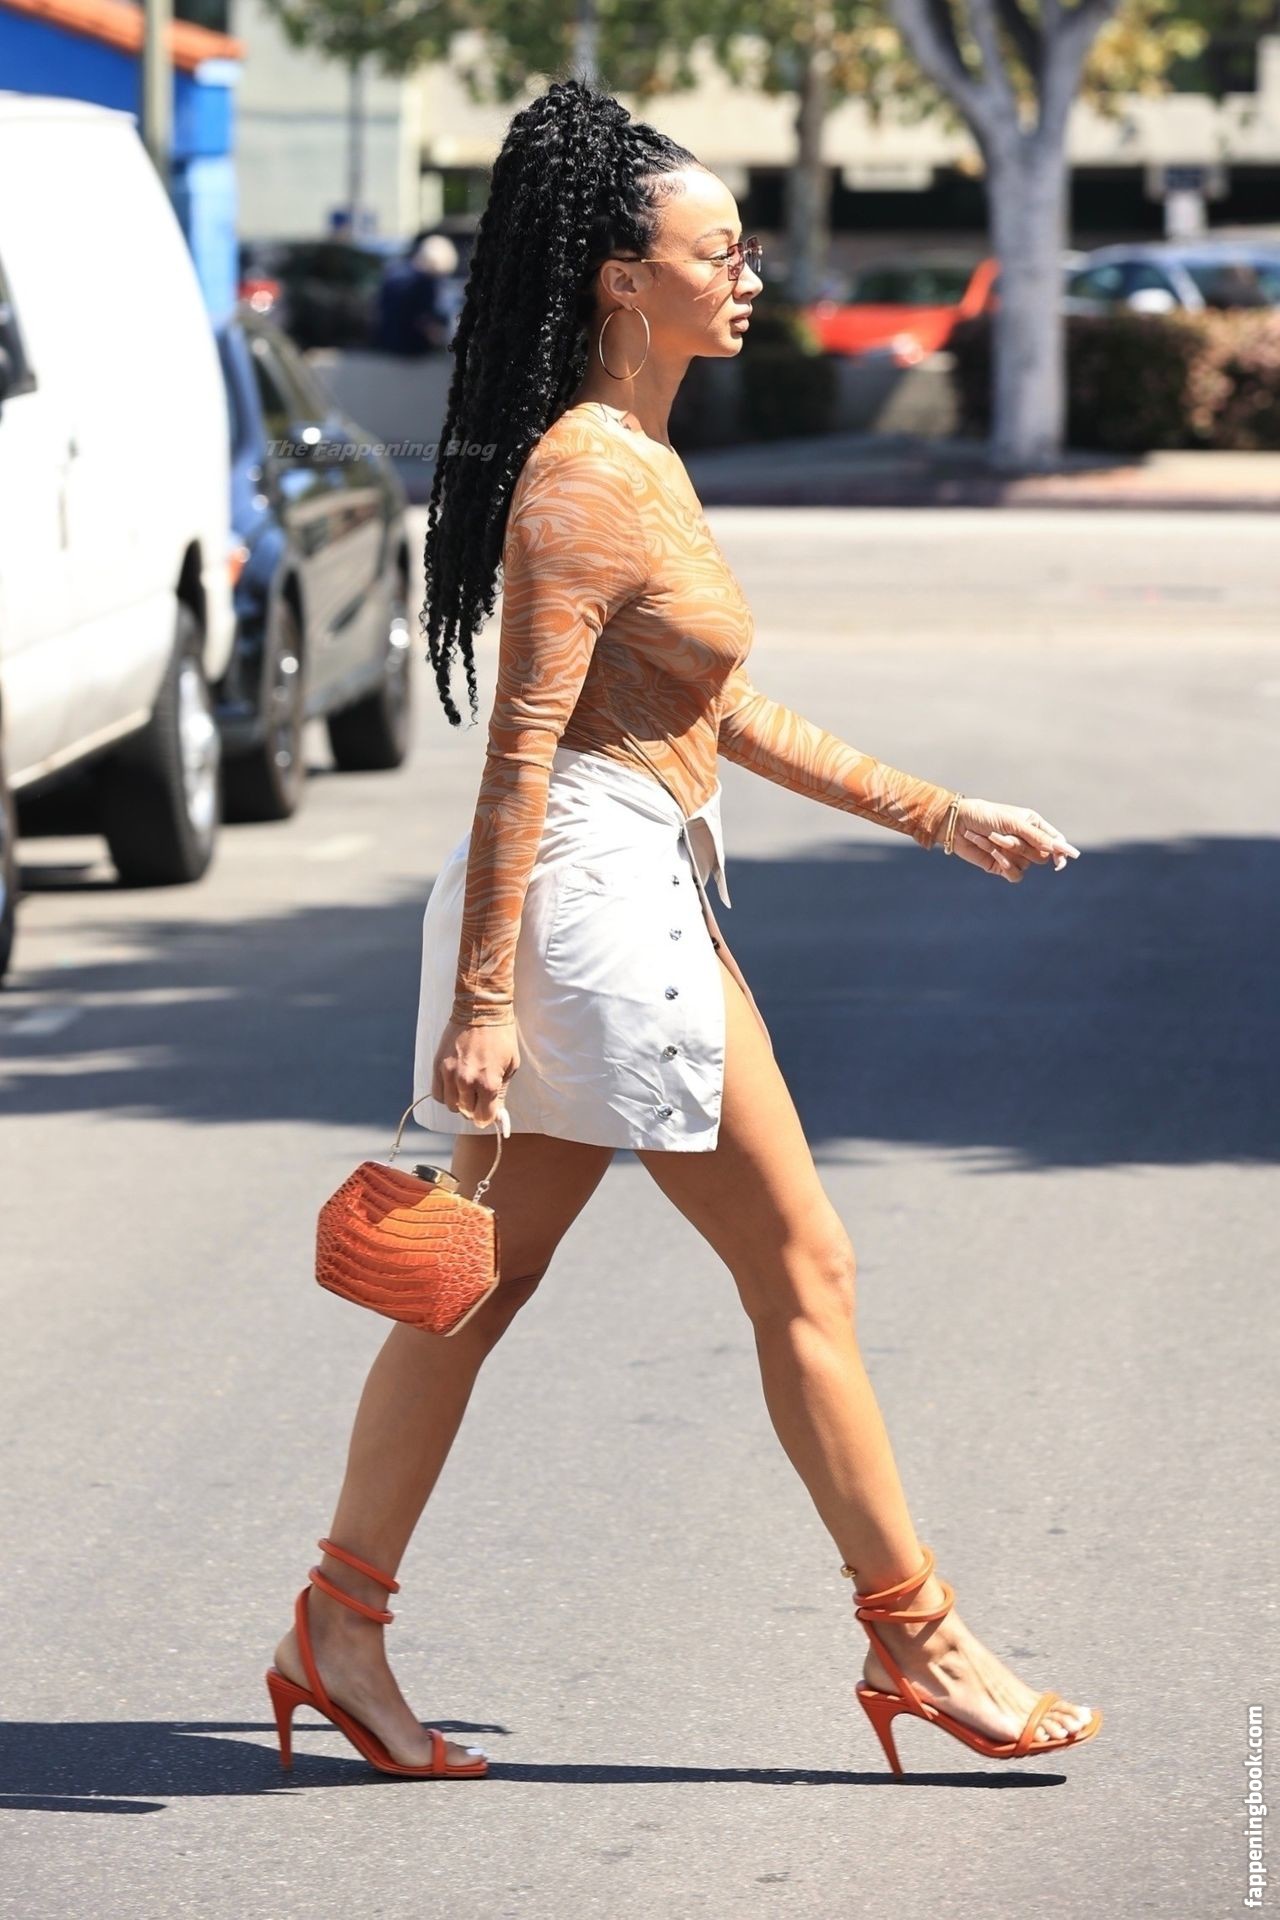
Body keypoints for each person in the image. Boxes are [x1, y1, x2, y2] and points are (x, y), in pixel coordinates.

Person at [266, 77, 1101, 1781]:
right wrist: (482, 1006)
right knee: (803, 1267)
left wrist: (935, 810)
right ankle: (918, 1637)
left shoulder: (639, 457)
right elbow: (520, 750)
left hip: (616, 889)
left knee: (476, 1287)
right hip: (587, 908)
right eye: (720, 252)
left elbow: (710, 709)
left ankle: (335, 1627)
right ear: (622, 279)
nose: (750, 278)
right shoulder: (586, 479)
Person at [373, 234, 457, 355]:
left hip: (385, 343)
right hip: (412, 348)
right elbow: (424, 320)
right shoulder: (425, 282)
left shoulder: (395, 271)